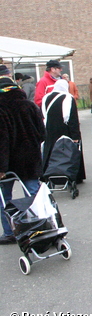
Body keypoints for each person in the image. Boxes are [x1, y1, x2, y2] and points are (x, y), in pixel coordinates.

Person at [0, 76, 45, 244]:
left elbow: (2, 140)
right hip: (30, 158)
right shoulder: (30, 105)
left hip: (8, 162)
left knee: (5, 198)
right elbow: (42, 133)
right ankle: (41, 225)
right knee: (34, 193)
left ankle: (10, 231)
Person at [41, 79, 86, 183]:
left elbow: (43, 114)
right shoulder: (68, 98)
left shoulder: (46, 97)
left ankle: (48, 174)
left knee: (50, 151)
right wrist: (75, 136)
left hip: (49, 129)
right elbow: (73, 119)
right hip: (65, 130)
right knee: (68, 152)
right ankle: (72, 176)